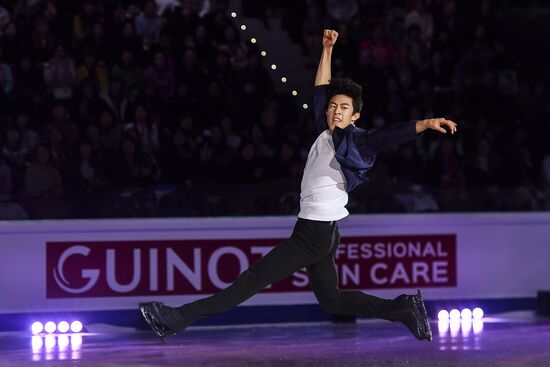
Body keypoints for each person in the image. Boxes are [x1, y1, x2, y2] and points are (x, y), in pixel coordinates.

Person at [140, 29, 457, 343]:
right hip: (321, 229)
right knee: (331, 300)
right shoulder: (324, 131)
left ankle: (177, 318)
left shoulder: (357, 142)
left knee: (252, 279)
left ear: (355, 115)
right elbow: (320, 89)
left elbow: (387, 136)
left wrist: (425, 124)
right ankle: (403, 308)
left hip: (314, 234)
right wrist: (327, 50)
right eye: (333, 106)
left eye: (343, 108)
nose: (334, 111)